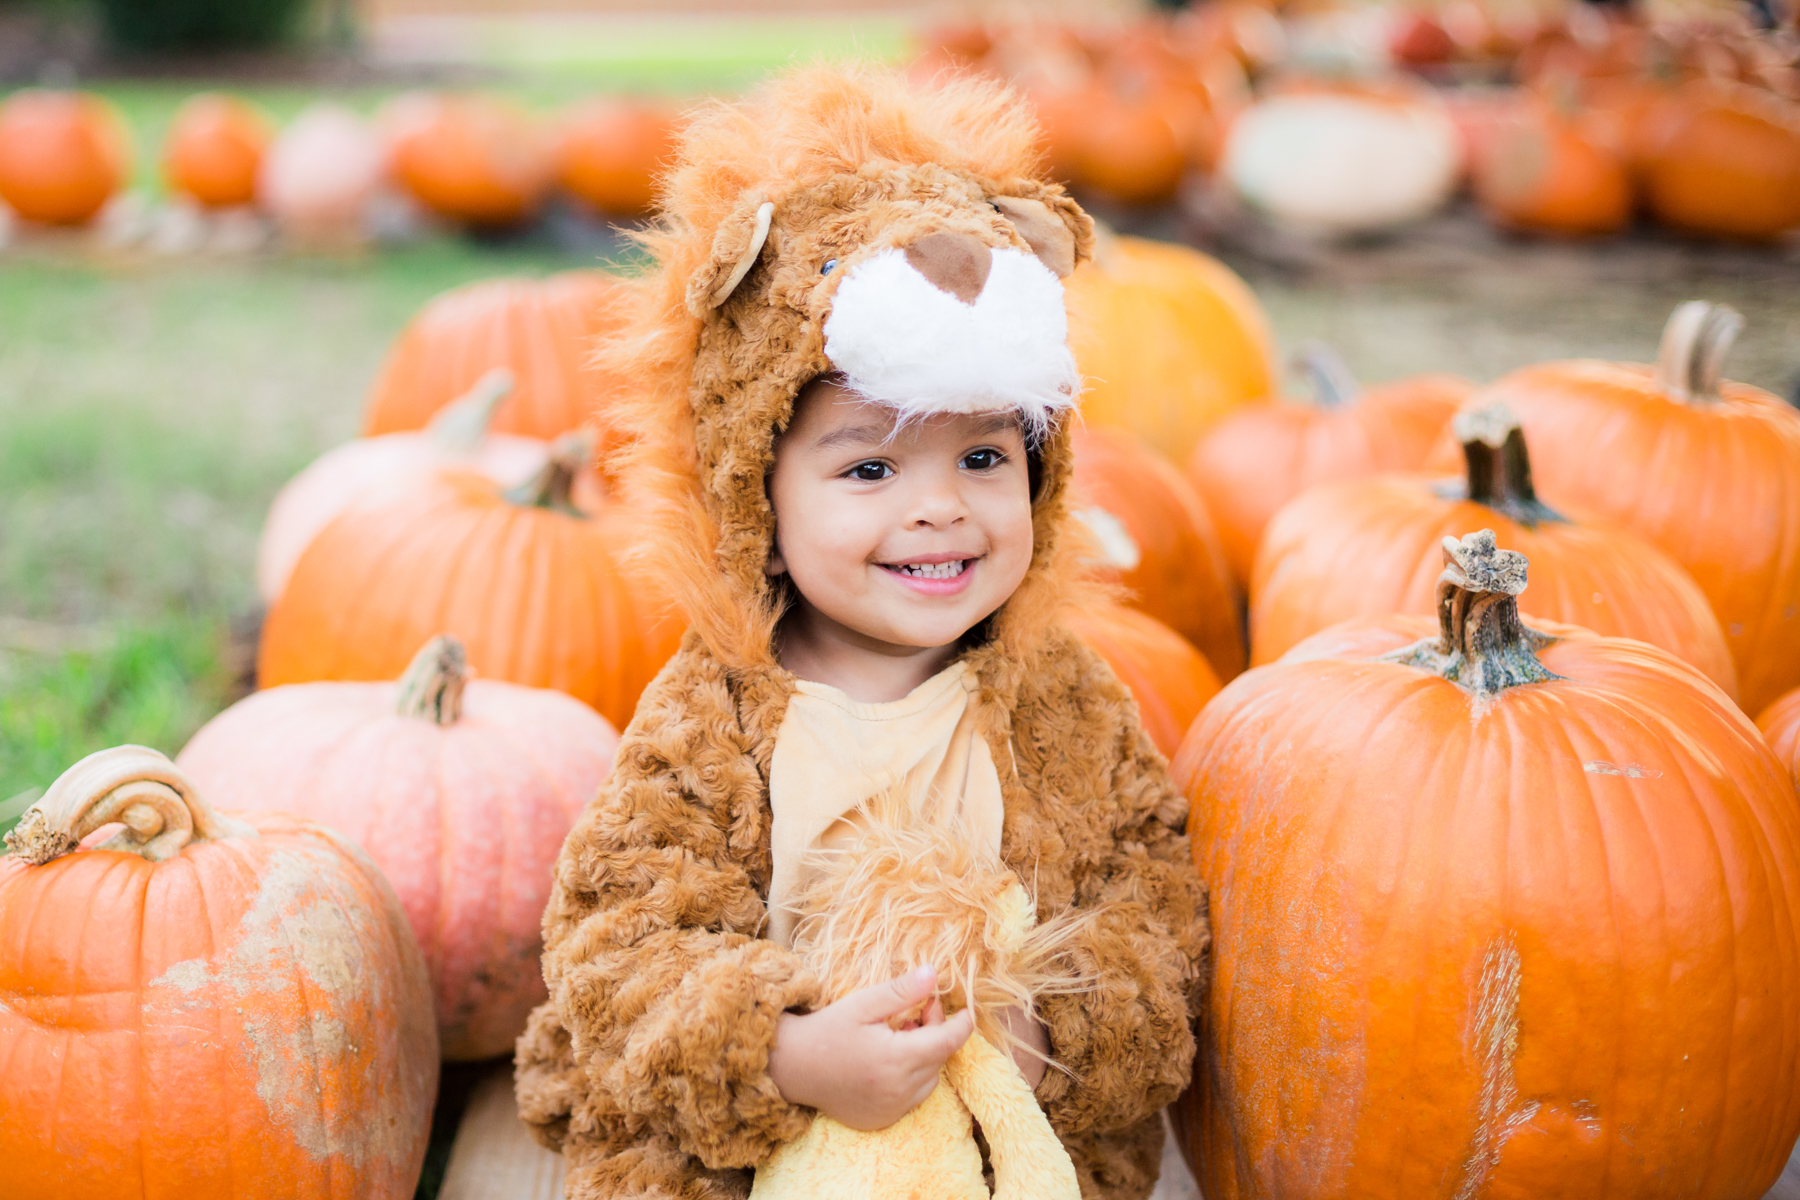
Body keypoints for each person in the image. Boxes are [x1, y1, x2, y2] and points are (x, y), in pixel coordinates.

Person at [516, 65, 1209, 1200]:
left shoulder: (1061, 706)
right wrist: (789, 1053)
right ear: (759, 504)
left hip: (996, 1153)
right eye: (871, 465)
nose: (939, 507)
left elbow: (1154, 911)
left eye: (983, 457)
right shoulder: (716, 723)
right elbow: (617, 947)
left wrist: (1055, 1035)